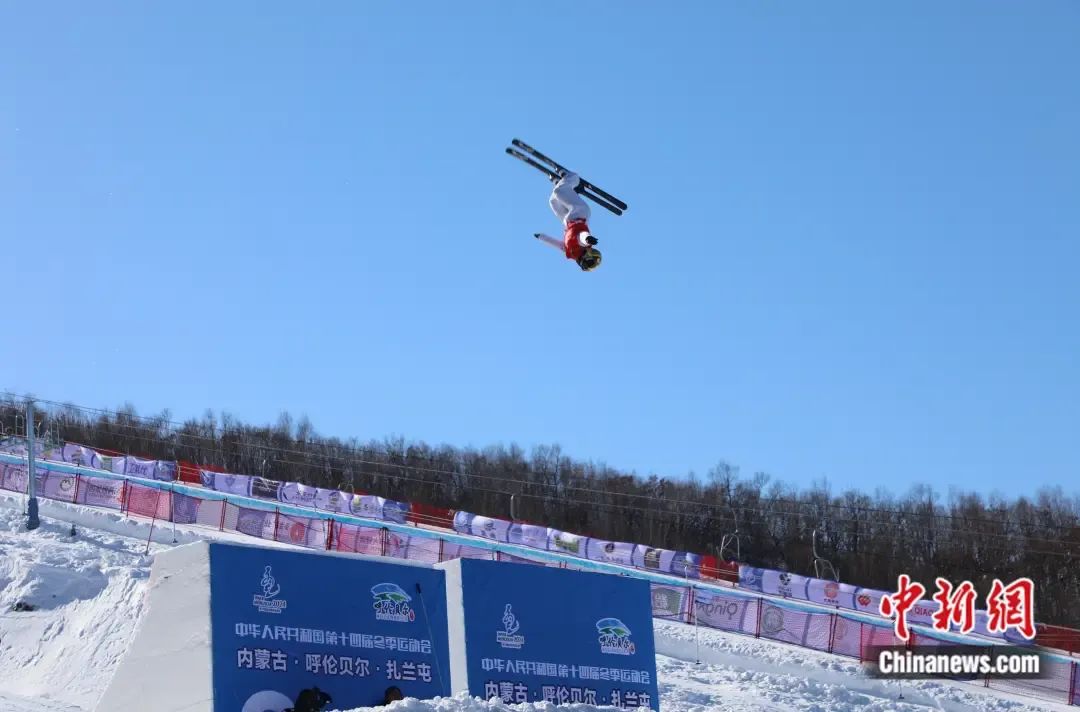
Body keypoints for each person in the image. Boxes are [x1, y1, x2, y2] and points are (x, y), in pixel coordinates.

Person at [534, 172, 602, 272]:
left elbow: (558, 245)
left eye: (589, 266)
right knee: (559, 191)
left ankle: (560, 183)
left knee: (553, 201)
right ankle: (573, 178)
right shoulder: (584, 246)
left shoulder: (570, 253)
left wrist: (541, 237)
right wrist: (587, 239)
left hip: (568, 221)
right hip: (580, 213)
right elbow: (581, 237)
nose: (587, 265)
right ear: (589, 256)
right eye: (590, 264)